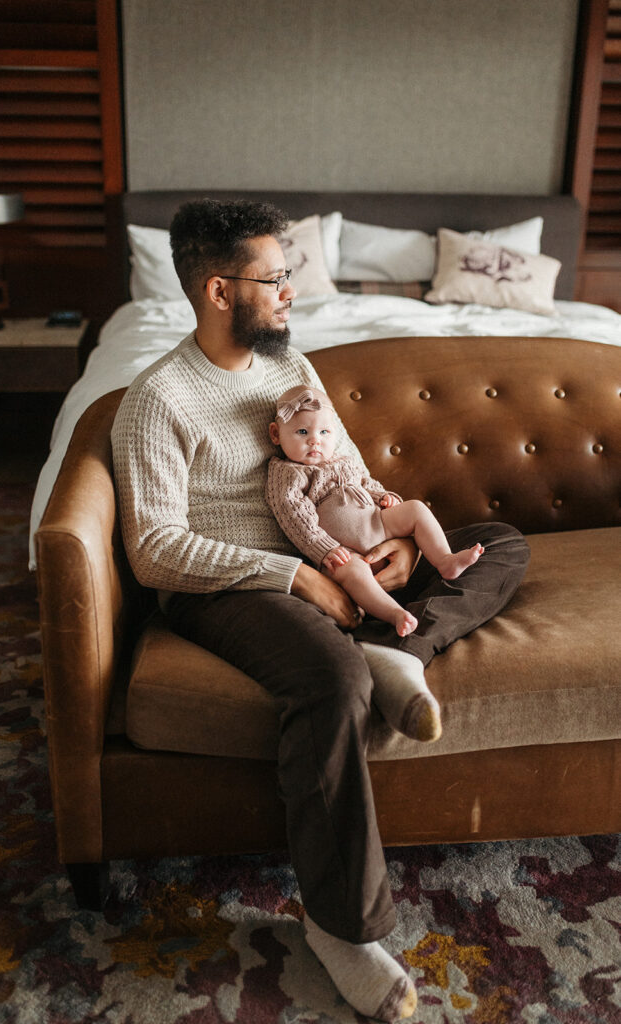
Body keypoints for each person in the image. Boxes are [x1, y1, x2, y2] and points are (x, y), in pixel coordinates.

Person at [111, 198, 530, 1022]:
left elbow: (348, 471)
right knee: (333, 680)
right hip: (233, 589)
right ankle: (341, 926)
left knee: (502, 542)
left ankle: (405, 650)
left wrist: (398, 548)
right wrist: (296, 578)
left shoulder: (291, 368)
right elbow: (154, 548)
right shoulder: (156, 399)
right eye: (276, 278)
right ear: (219, 290)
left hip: (338, 553)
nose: (292, 292)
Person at [267, 384, 485, 641]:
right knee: (353, 572)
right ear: (276, 434)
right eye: (302, 432)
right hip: (343, 551)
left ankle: (445, 560)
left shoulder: (343, 461)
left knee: (415, 508)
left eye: (324, 432)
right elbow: (294, 515)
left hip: (376, 523)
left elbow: (367, 484)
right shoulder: (287, 472)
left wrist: (384, 498)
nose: (315, 441)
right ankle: (394, 614)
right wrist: (323, 548)